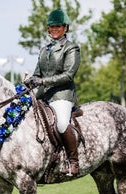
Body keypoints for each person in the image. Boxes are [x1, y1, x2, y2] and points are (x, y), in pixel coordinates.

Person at [24, 8, 81, 176]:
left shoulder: (71, 48)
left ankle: (73, 162)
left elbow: (68, 75)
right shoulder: (45, 49)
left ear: (65, 28)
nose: (55, 29)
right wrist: (31, 81)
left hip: (62, 95)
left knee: (62, 123)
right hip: (43, 95)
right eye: (52, 27)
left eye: (58, 26)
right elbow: (37, 73)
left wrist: (42, 81)